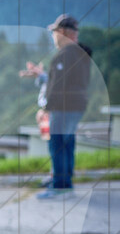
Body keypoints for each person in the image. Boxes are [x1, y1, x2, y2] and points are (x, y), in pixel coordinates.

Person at [22, 14, 93, 200]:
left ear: (62, 33)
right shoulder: (79, 54)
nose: (53, 37)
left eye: (54, 33)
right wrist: (42, 75)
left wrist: (45, 108)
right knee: (67, 144)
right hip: (77, 105)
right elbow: (64, 81)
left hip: (64, 107)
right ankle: (66, 184)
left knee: (58, 146)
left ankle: (61, 187)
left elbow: (58, 86)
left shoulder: (65, 55)